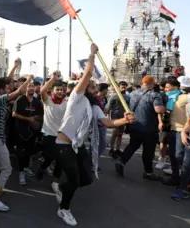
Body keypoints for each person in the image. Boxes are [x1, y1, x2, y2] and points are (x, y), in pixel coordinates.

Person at [55, 44, 135, 226]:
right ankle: (64, 209)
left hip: (78, 146)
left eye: (94, 88)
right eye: (91, 87)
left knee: (87, 179)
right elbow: (88, 73)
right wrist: (92, 54)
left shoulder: (94, 107)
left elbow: (108, 123)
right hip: (63, 145)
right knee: (74, 179)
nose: (94, 90)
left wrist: (125, 120)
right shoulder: (76, 98)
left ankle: (62, 187)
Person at [0, 76, 31, 212]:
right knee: (7, 169)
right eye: (6, 88)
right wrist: (29, 80)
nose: (9, 89)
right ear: (1, 90)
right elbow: (19, 92)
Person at [115, 75, 166, 179]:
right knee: (148, 151)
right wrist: (165, 108)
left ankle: (121, 161)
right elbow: (159, 110)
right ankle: (148, 172)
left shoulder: (133, 94)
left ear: (142, 83)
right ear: (152, 83)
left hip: (134, 125)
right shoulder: (154, 95)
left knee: (133, 145)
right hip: (149, 128)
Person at [36, 71, 66, 197]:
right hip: (48, 134)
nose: (60, 92)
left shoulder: (66, 102)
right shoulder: (48, 101)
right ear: (52, 91)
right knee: (48, 158)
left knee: (60, 160)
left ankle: (55, 182)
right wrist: (52, 78)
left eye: (62, 90)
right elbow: (42, 91)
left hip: (62, 136)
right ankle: (42, 168)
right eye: (57, 89)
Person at [12, 80, 44, 185]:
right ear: (25, 88)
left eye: (32, 86)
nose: (31, 88)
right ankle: (21, 173)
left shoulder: (36, 101)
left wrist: (36, 119)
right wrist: (28, 119)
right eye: (29, 86)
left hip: (32, 132)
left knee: (29, 152)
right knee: (21, 153)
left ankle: (25, 168)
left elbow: (40, 115)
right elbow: (14, 114)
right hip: (21, 131)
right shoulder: (20, 99)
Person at [107, 81, 130, 159]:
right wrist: (108, 118)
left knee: (120, 134)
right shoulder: (114, 96)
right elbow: (109, 107)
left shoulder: (127, 97)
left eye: (125, 87)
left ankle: (118, 149)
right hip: (115, 117)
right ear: (119, 87)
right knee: (115, 133)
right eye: (122, 87)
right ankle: (111, 149)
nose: (124, 88)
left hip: (123, 118)